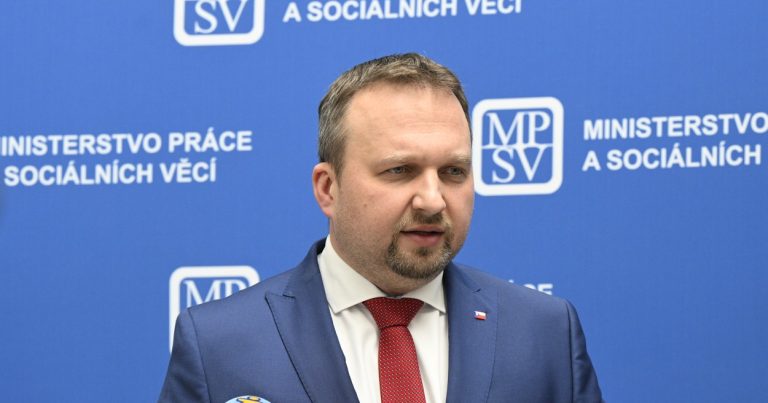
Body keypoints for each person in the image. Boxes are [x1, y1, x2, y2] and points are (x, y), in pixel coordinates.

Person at [159, 53, 603, 403]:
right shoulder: (219, 344)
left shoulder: (545, 333)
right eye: (400, 170)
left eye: (453, 171)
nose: (432, 200)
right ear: (328, 188)